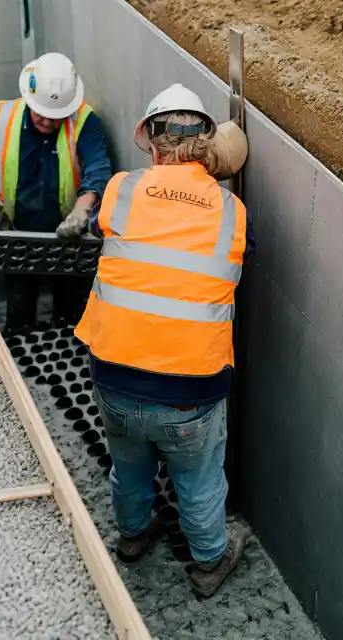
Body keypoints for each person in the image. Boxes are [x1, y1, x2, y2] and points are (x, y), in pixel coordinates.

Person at [75, 84, 252, 599]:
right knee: (197, 482)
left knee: (127, 463)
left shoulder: (121, 191)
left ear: (150, 145)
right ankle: (208, 564)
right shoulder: (231, 211)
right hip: (189, 391)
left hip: (113, 375)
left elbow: (124, 227)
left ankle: (132, 537)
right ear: (208, 151)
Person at [0, 52, 111, 332]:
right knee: (19, 313)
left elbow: (98, 168)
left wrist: (83, 207)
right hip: (18, 238)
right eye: (42, 114)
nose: (48, 123)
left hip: (69, 239)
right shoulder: (1, 120)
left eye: (57, 117)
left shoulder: (84, 122)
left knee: (72, 316)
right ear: (28, 99)